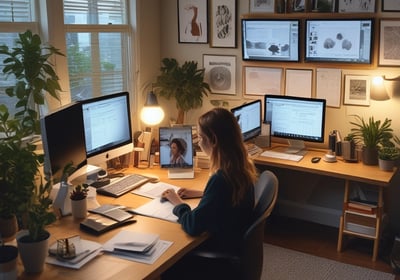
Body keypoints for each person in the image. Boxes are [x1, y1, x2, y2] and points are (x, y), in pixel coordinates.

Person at [161, 108, 258, 279]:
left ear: (213, 140)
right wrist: (201, 193)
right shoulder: (241, 166)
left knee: (165, 265)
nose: (198, 143)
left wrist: (177, 203)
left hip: (218, 258)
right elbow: (226, 197)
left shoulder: (221, 179)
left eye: (200, 137)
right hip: (232, 245)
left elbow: (192, 225)